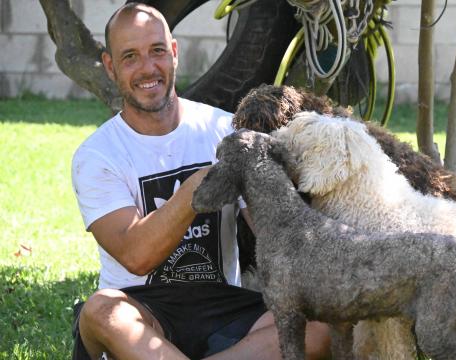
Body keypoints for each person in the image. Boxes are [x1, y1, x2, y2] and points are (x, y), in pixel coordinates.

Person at [70, 3, 331, 359]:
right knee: (101, 311)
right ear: (111, 66)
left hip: (223, 303)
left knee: (320, 326)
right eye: (130, 57)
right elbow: (136, 255)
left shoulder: (225, 129)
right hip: (142, 309)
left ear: (174, 52)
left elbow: (273, 233)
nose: (148, 68)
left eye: (157, 51)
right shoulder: (97, 154)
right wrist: (198, 187)